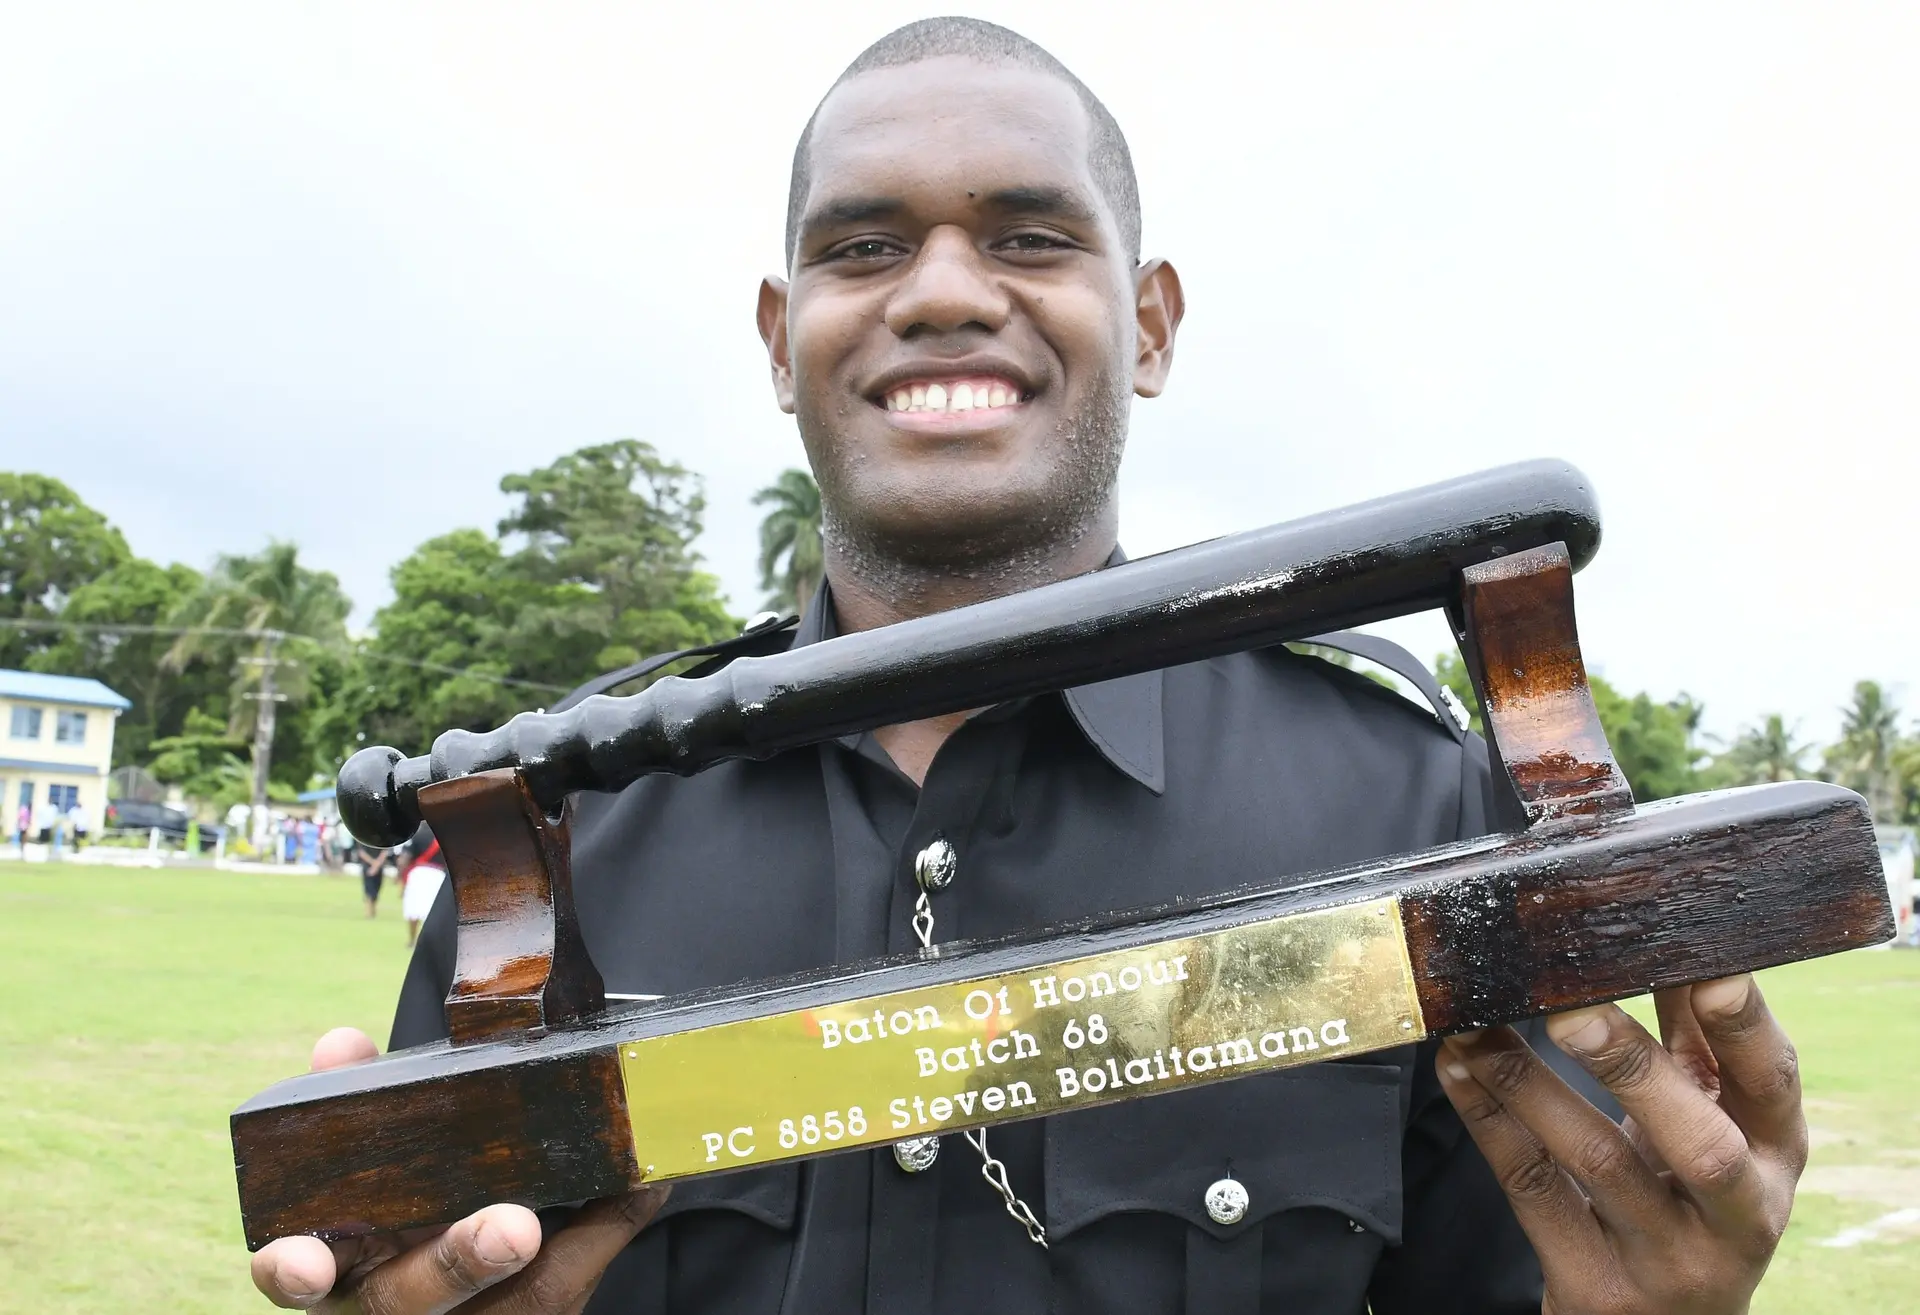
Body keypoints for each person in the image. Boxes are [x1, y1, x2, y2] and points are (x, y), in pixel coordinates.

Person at [251, 19, 1808, 1314]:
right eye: (865, 246)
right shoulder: (556, 845)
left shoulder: (1423, 801)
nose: (940, 288)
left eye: (1027, 235)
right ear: (781, 336)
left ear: (1149, 323)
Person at [397, 823, 446, 949]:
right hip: (438, 875)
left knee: (413, 908)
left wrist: (400, 877)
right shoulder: (445, 837)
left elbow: (404, 860)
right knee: (432, 911)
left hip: (419, 874)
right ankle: (428, 942)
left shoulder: (417, 836)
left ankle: (412, 940)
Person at [353, 839, 391, 919]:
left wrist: (376, 865)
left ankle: (373, 911)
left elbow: (384, 852)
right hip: (368, 866)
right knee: (369, 890)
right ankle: (369, 912)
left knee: (377, 889)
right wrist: (374, 864)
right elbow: (361, 852)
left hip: (378, 866)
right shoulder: (362, 838)